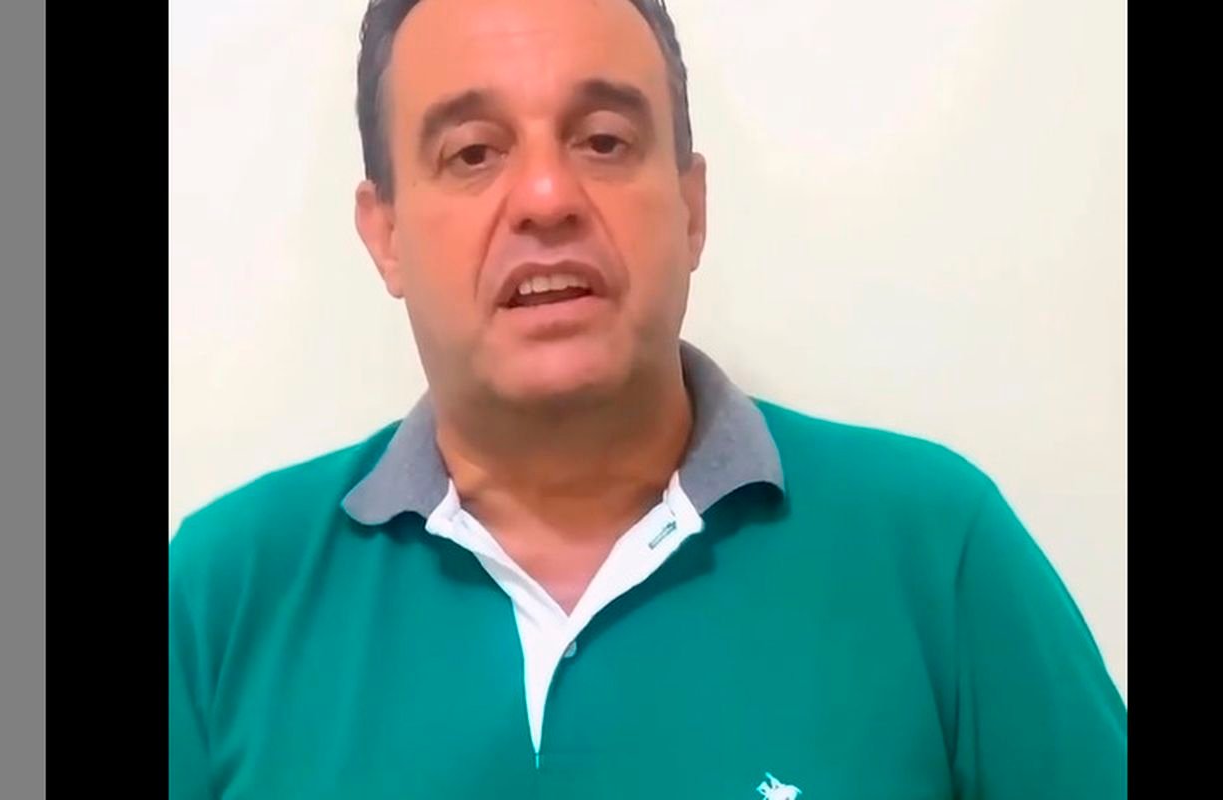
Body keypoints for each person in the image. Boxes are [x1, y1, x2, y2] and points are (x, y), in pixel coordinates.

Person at [167, 0, 1129, 797]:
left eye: (603, 140)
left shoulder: (934, 552)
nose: (547, 196)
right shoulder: (219, 598)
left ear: (692, 208)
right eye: (473, 153)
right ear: (384, 235)